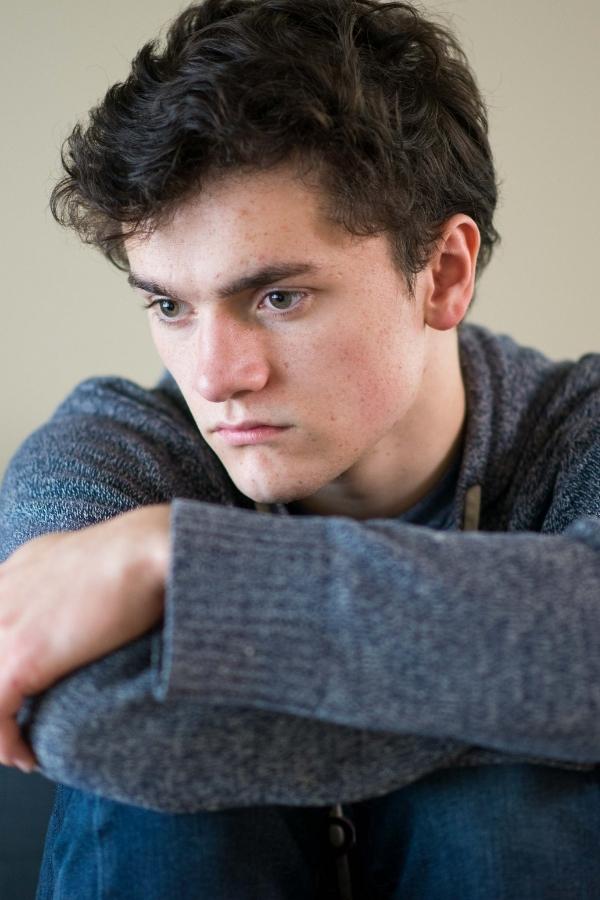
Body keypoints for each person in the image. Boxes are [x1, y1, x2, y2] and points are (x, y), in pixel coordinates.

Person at [0, 0, 599, 896]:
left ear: (443, 273)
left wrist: (178, 562)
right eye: (170, 305)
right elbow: (87, 720)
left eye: (278, 296)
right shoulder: (110, 451)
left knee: (502, 804)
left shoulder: (581, 430)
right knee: (146, 804)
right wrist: (539, 684)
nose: (216, 376)